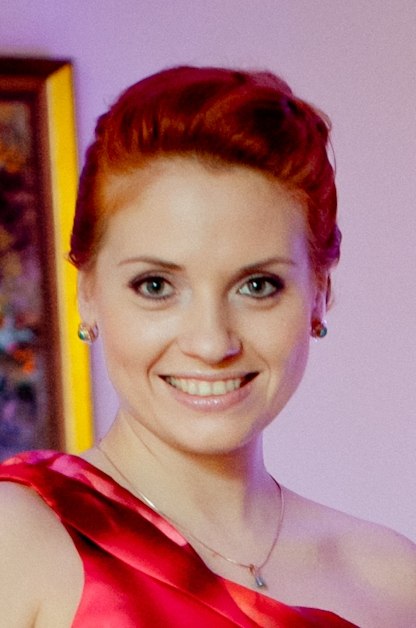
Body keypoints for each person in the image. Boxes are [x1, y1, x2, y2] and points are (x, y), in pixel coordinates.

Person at [0, 65, 415, 628]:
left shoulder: (394, 581)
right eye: (156, 286)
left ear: (319, 294)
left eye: (258, 286)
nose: (211, 342)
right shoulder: (17, 542)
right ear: (88, 295)